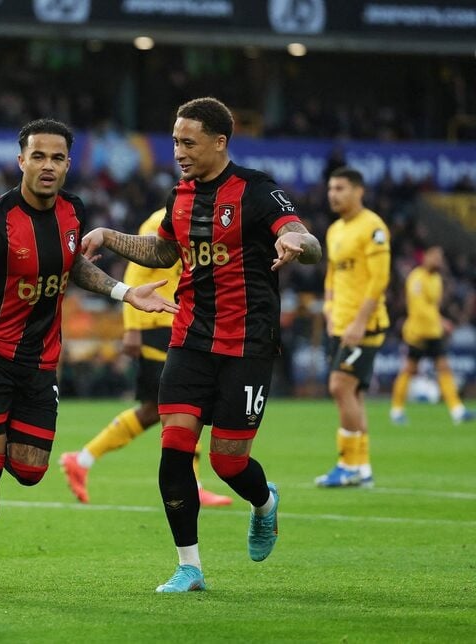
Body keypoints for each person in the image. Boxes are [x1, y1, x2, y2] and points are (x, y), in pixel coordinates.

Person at [81, 97, 322, 592]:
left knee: (228, 462)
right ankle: (189, 566)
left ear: (220, 142)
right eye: (174, 141)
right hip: (189, 337)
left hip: (247, 342)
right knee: (174, 450)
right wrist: (107, 235)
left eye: (188, 142)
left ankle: (264, 504)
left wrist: (298, 244)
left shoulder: (257, 191)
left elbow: (307, 240)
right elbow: (162, 249)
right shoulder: (181, 196)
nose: (179, 151)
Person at [0, 118, 178, 596]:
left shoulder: (74, 212)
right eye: (38, 156)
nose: (47, 166)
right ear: (21, 161)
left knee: (30, 471)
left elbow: (76, 269)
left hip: (40, 358)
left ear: (69, 164)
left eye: (57, 158)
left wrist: (125, 292)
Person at [58, 208, 232, 507]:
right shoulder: (162, 220)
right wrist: (132, 328)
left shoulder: (201, 219)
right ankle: (193, 484)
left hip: (179, 322)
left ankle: (82, 459)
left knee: (155, 410)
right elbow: (136, 271)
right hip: (157, 324)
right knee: (186, 404)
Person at [315, 167, 391, 488]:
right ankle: (362, 468)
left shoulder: (372, 227)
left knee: (339, 387)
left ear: (359, 191)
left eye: (341, 188)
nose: (334, 194)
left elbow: (379, 279)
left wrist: (360, 321)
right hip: (340, 323)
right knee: (353, 393)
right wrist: (329, 308)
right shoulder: (334, 230)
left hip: (364, 325)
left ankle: (348, 464)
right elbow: (333, 274)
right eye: (331, 188)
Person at [391, 246, 472, 424]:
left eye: (440, 257)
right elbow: (419, 308)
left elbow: (433, 306)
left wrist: (438, 322)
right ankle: (396, 410)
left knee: (444, 368)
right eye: (435, 256)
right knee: (409, 370)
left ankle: (457, 411)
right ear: (425, 257)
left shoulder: (436, 279)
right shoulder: (416, 278)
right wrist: (441, 321)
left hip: (433, 332)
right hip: (417, 332)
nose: (438, 260)